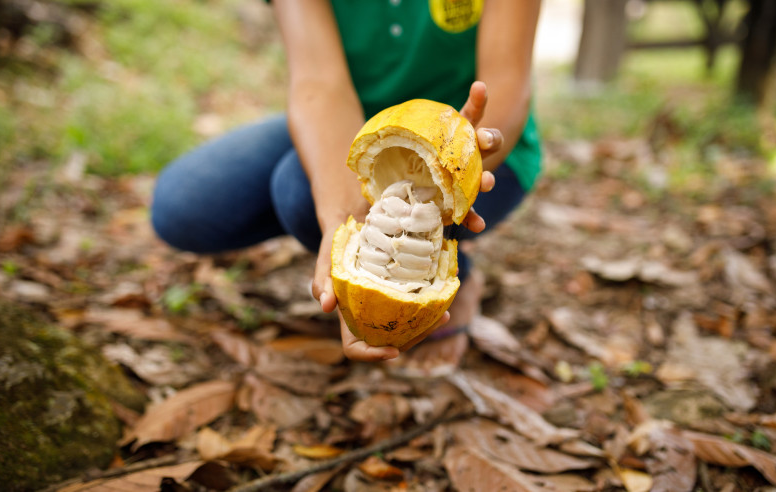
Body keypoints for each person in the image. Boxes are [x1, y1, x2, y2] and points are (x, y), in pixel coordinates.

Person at [150, 0, 542, 374]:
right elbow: (319, 84)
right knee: (184, 205)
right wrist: (339, 215)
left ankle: (453, 272)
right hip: (355, 119)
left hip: (474, 140)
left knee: (296, 189)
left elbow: (506, 83)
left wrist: (460, 163)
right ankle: (425, 264)